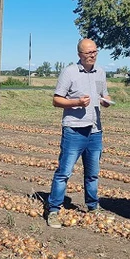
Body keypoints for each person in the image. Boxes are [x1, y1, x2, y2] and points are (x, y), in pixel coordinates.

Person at [45, 38, 111, 229]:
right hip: (74, 129)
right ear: (79, 55)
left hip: (95, 130)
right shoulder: (70, 72)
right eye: (88, 53)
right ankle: (54, 210)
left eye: (95, 52)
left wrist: (106, 101)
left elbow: (104, 95)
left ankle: (93, 207)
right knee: (64, 173)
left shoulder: (101, 72)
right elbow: (56, 100)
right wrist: (76, 102)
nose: (92, 55)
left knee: (93, 174)